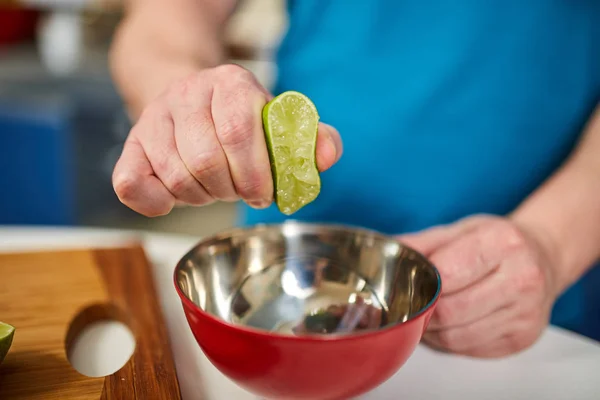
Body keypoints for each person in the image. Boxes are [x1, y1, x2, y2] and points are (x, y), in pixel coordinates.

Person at [109, 0, 600, 357]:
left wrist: (551, 244)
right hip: (280, 290)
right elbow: (164, 16)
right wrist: (180, 97)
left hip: (530, 305)